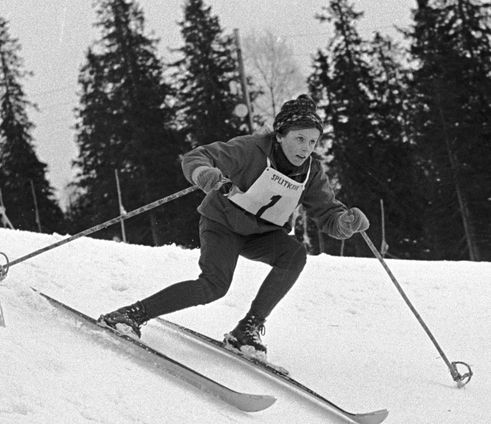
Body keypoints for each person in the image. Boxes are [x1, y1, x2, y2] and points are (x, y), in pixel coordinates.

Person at [98, 94, 369, 360]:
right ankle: (131, 314)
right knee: (213, 286)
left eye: (312, 141)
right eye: (299, 138)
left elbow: (328, 215)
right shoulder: (250, 149)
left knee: (294, 254)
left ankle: (246, 330)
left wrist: (346, 222)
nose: (306, 148)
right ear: (279, 135)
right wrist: (203, 173)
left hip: (261, 234)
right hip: (223, 223)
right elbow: (197, 156)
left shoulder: (312, 172)